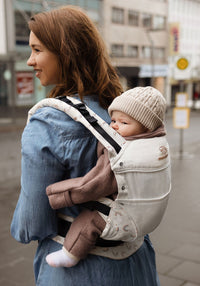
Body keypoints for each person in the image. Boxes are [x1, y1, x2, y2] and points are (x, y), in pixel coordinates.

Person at [11, 5, 162, 286]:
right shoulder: (121, 109)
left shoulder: (47, 120)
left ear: (65, 53)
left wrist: (19, 227)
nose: (30, 60)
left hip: (76, 270)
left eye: (38, 49)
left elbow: (32, 223)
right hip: (137, 259)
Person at [45, 86, 167, 268]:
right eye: (113, 120)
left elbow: (90, 185)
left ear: (146, 126)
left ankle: (70, 255)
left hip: (126, 219)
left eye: (124, 123)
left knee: (88, 221)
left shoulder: (122, 155)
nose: (114, 126)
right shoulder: (158, 146)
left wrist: (55, 195)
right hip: (149, 214)